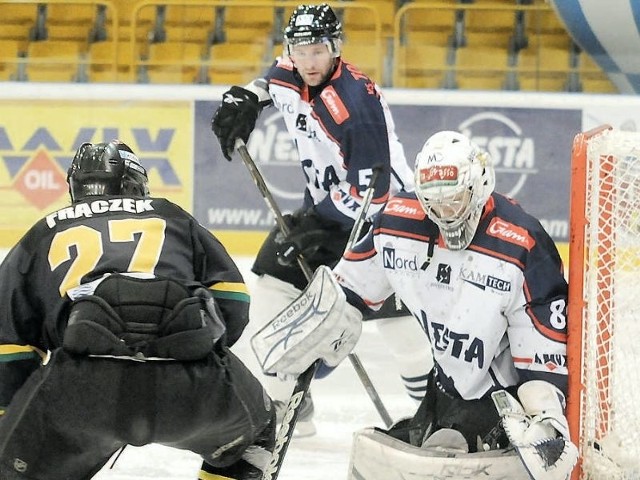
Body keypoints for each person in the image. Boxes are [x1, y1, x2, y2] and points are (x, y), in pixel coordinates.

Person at [253, 130, 578, 479]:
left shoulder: (521, 244)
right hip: (447, 388)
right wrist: (323, 322)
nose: (445, 213)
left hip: (505, 400)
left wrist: (544, 419)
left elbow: (542, 353)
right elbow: (351, 289)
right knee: (377, 462)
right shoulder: (399, 222)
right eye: (433, 203)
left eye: (454, 200)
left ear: (479, 185)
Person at [211, 2, 430, 435]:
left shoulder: (354, 105)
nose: (308, 61)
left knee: (403, 335)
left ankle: (435, 413)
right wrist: (248, 100)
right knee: (274, 285)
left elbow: (376, 192)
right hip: (330, 218)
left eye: (317, 51)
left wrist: (315, 226)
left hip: (388, 225)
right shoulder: (293, 71)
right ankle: (286, 400)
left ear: (336, 49)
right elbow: (271, 81)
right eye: (300, 50)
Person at [0, 140, 274, 480]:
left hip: (83, 389)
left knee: (14, 468)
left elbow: (7, 343)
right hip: (190, 385)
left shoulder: (44, 231)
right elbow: (233, 301)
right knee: (255, 435)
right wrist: (199, 355)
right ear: (136, 183)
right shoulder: (170, 215)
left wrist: (12, 424)